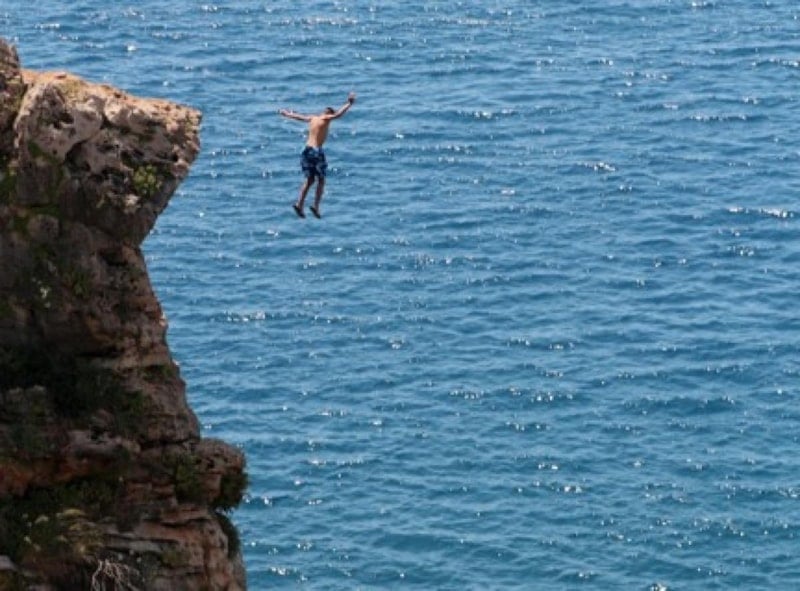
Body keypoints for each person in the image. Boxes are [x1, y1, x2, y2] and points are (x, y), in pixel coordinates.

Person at [279, 92, 356, 218]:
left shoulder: (313, 118)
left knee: (309, 180)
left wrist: (286, 114)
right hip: (316, 151)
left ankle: (299, 204)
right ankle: (315, 206)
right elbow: (338, 114)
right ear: (328, 114)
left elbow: (299, 117)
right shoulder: (325, 118)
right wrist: (349, 104)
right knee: (321, 180)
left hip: (306, 150)